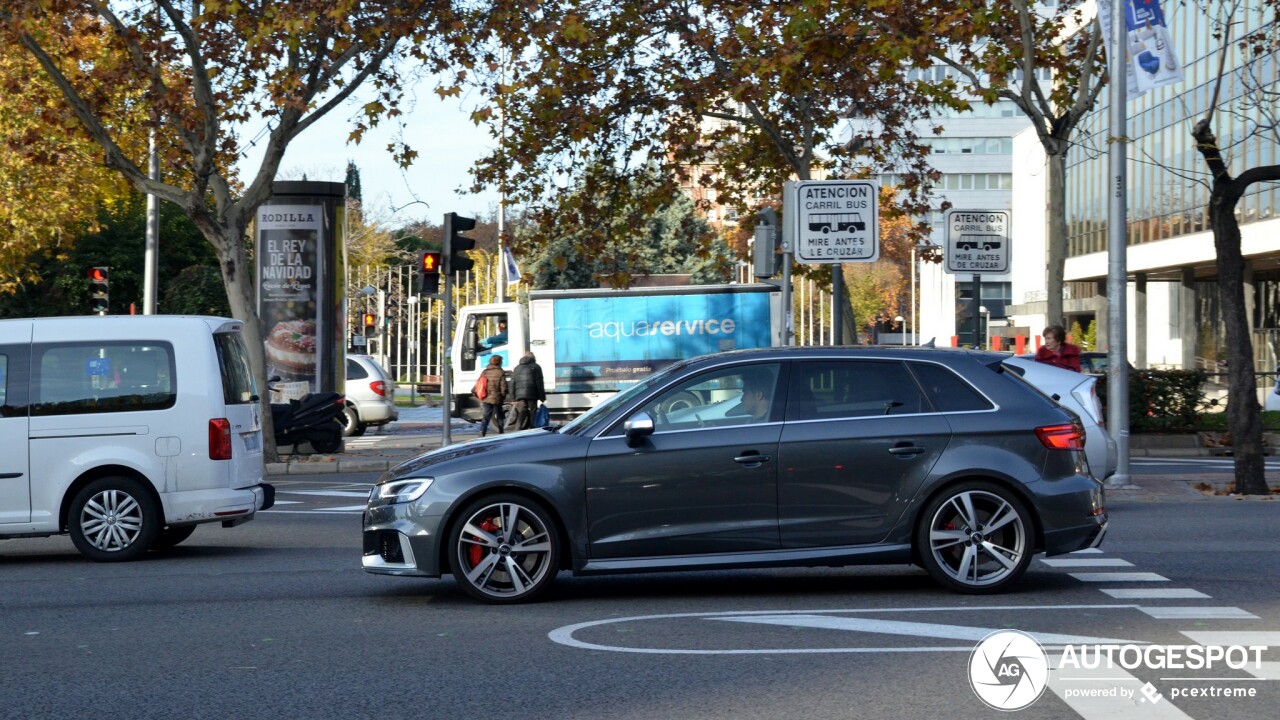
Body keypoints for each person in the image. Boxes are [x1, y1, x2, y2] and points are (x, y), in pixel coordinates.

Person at [511, 351, 546, 429]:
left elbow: (512, 383)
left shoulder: (517, 368)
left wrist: (513, 397)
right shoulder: (536, 367)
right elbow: (539, 383)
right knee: (533, 412)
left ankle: (518, 427)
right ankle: (532, 427)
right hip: (532, 394)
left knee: (522, 411)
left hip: (520, 395)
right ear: (533, 358)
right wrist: (542, 397)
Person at [478, 355, 508, 437]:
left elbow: (479, 383)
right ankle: (501, 431)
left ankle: (482, 431)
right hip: (497, 397)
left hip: (486, 397)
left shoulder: (485, 372)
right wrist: (503, 395)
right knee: (499, 415)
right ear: (499, 362)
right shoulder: (500, 372)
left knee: (486, 416)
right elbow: (503, 386)